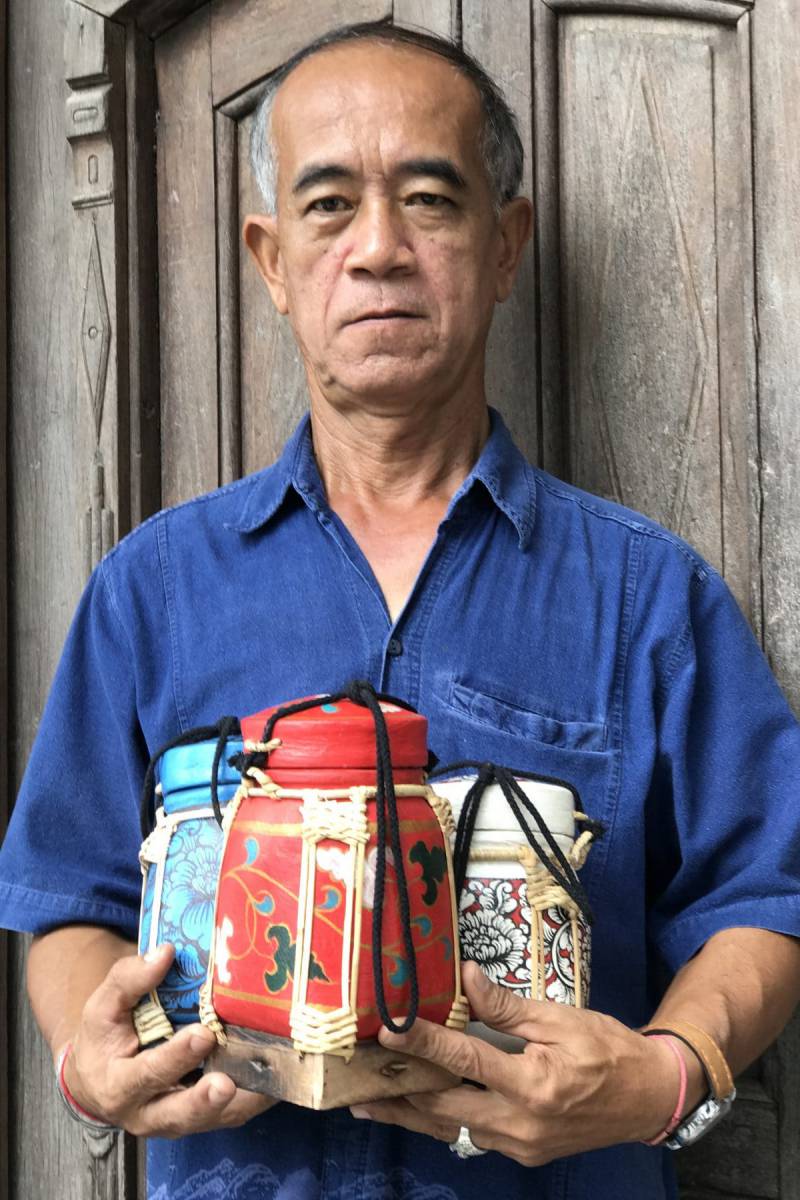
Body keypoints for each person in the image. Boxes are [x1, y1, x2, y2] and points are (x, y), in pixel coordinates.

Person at [2, 20, 800, 1200]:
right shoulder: (151, 590)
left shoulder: (647, 595)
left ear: (506, 242)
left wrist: (667, 1075)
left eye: (429, 199)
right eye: (327, 207)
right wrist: (88, 1057)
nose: (377, 249)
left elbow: (758, 899)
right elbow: (70, 900)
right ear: (269, 262)